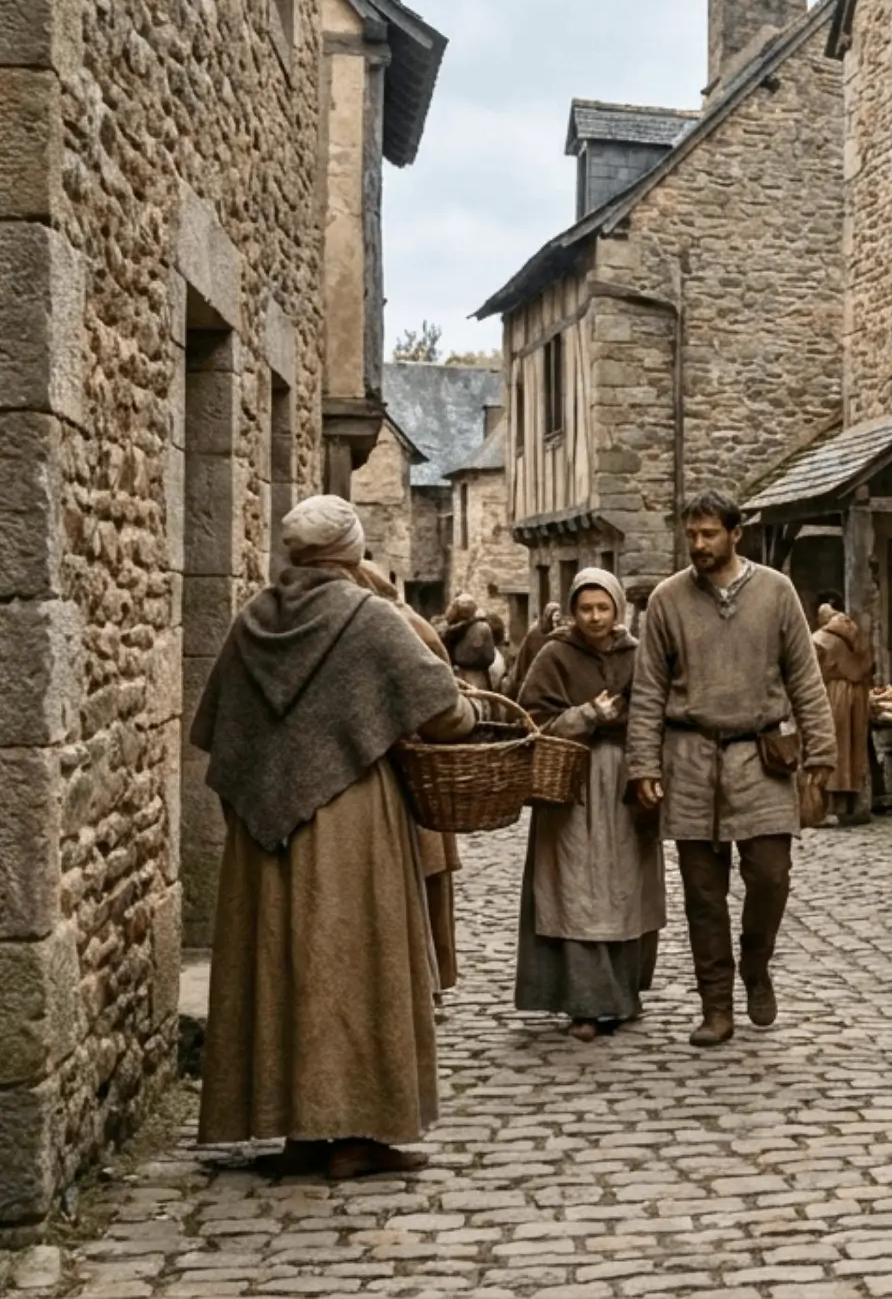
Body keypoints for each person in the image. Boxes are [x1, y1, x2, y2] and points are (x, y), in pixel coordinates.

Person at [189, 496, 484, 1181]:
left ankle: (295, 1129)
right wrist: (469, 712)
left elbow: (218, 728)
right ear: (351, 552)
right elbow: (443, 712)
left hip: (264, 831)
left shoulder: (251, 622)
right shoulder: (370, 620)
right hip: (350, 819)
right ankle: (354, 1135)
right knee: (356, 965)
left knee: (281, 967)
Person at [626, 492, 836, 1047]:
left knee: (771, 874)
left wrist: (822, 754)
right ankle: (716, 1005)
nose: (698, 545)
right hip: (690, 759)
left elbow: (805, 678)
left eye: (709, 534)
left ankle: (756, 962)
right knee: (702, 893)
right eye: (691, 535)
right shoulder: (668, 601)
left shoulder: (776, 592)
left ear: (734, 534)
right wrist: (644, 763)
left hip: (761, 758)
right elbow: (647, 691)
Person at [513, 569, 661, 1041]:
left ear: (617, 608)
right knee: (576, 891)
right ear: (572, 611)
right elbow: (529, 719)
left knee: (623, 890)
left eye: (603, 607)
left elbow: (658, 709)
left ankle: (622, 997)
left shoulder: (637, 655)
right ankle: (583, 1004)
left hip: (624, 783)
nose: (595, 617)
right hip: (571, 787)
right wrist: (585, 716)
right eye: (586, 608)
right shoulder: (555, 655)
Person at [806, 595, 876, 827]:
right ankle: (852, 805)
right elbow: (868, 668)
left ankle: (826, 806)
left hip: (832, 696)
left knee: (831, 746)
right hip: (857, 697)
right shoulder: (859, 638)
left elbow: (810, 674)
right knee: (852, 749)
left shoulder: (819, 640)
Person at [506, 602, 564, 700]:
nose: (555, 622)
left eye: (558, 617)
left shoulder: (560, 633)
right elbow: (527, 657)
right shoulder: (536, 633)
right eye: (554, 616)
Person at [441, 595, 499, 690]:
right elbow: (489, 657)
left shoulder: (448, 631)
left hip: (458, 674)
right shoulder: (482, 627)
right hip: (473, 676)